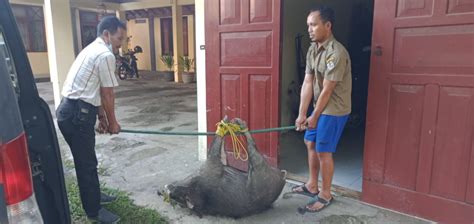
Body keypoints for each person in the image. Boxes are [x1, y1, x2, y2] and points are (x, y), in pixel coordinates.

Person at [56, 16, 126, 223]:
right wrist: (113, 122)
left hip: (72, 111)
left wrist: (102, 117)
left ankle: (95, 196)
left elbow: (91, 89)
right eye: (119, 38)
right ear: (107, 34)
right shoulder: (105, 54)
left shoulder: (91, 49)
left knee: (88, 160)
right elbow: (107, 93)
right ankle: (94, 210)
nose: (121, 43)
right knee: (86, 163)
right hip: (77, 115)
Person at [293, 6, 352, 212]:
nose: (310, 29)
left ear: (328, 26)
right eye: (308, 25)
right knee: (309, 141)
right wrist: (302, 114)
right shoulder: (312, 49)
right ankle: (312, 184)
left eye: (314, 24)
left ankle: (326, 194)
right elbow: (308, 83)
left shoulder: (336, 53)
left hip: (334, 109)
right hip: (321, 107)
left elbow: (327, 90)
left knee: (323, 150)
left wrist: (314, 116)